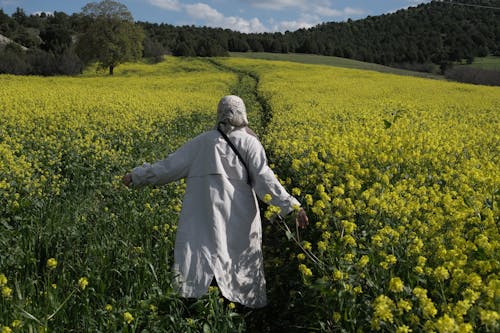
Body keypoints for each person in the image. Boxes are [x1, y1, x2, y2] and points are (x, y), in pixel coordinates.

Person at [122, 95, 308, 308]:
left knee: (204, 253)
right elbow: (265, 180)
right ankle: (239, 309)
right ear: (243, 114)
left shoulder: (202, 142)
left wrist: (137, 176)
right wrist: (292, 207)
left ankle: (198, 307)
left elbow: (168, 167)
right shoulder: (250, 143)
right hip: (239, 213)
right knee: (237, 257)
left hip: (204, 213)